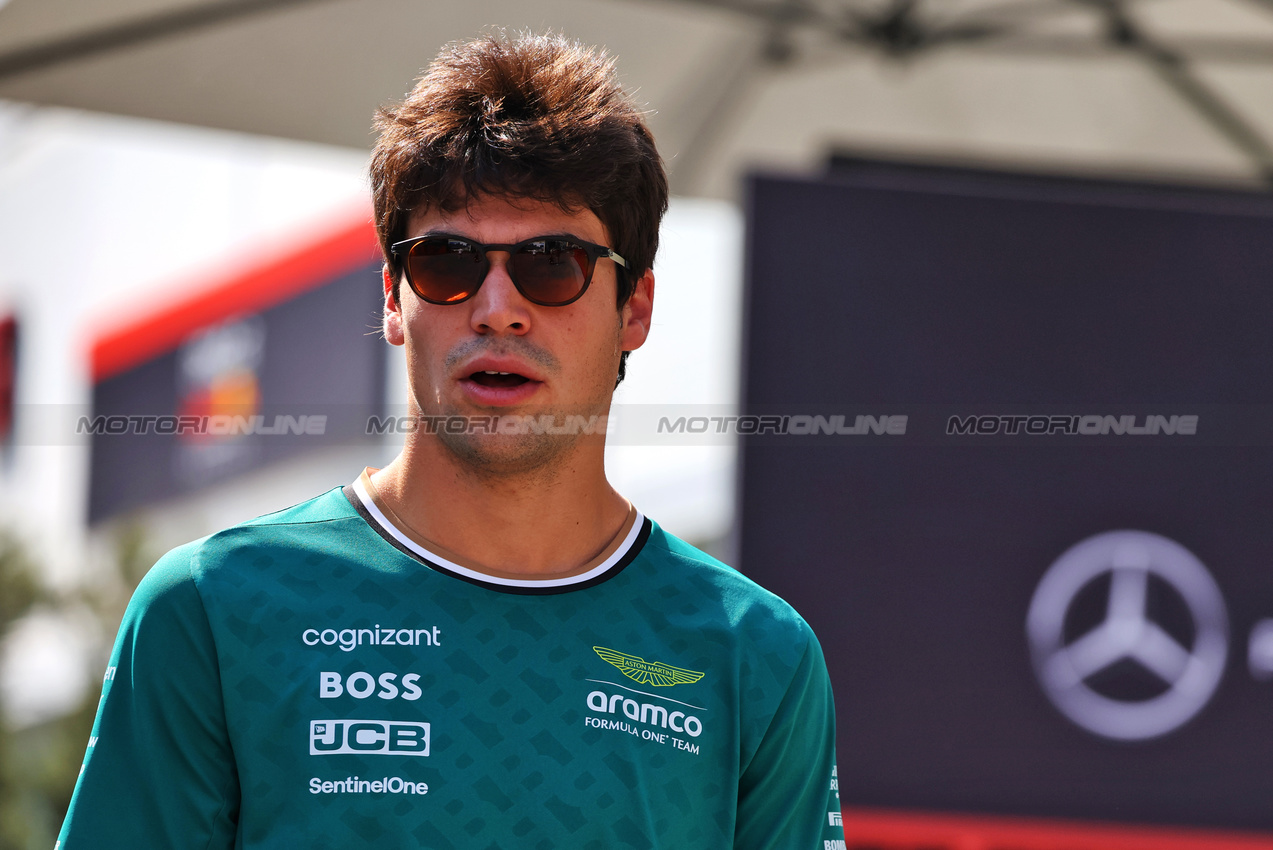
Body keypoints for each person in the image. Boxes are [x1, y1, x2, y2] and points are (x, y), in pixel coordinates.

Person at [57, 31, 846, 849]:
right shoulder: (213, 605)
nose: (497, 307)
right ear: (395, 299)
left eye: (551, 263)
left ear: (634, 309)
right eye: (446, 261)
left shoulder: (754, 652)